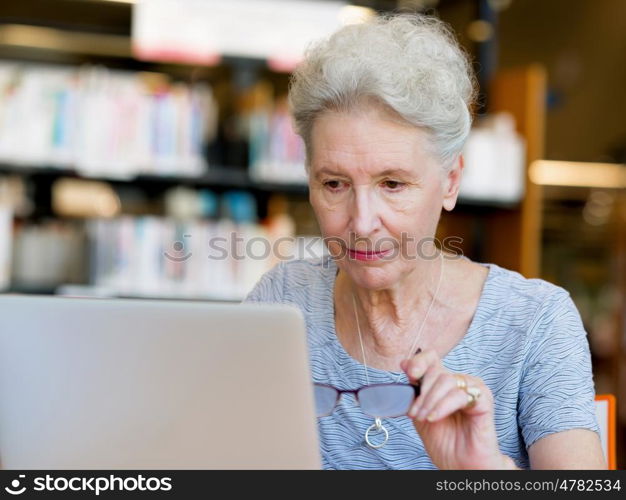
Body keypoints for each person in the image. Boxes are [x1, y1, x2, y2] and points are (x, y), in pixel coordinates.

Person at [244, 13, 606, 470]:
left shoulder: (534, 321)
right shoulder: (281, 302)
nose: (362, 221)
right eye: (334, 184)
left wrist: (484, 472)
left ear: (451, 180)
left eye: (392, 184)